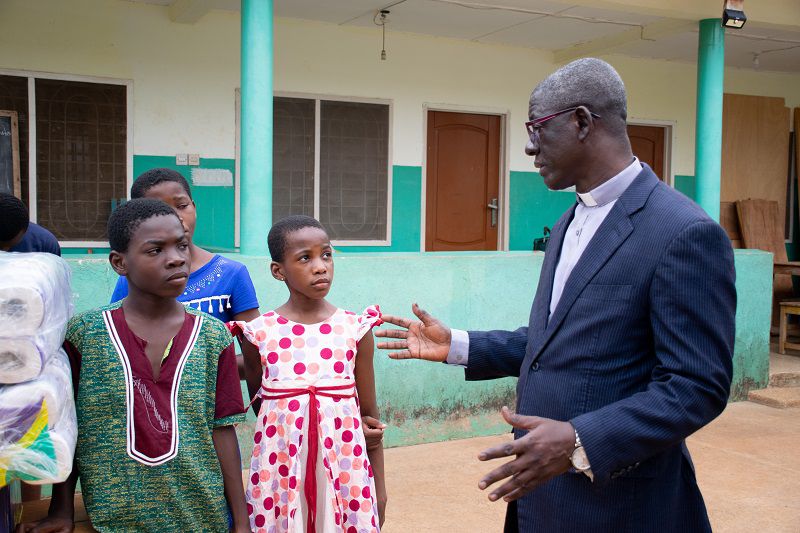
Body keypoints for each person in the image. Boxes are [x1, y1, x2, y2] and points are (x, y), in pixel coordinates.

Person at [376, 58, 736, 532]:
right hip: (542, 500)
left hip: (619, 505)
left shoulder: (682, 233)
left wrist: (579, 440)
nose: (528, 146)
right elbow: (557, 343)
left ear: (583, 121)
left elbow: (696, 386)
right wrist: (460, 346)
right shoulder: (568, 222)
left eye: (537, 128)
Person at [17, 198, 250, 532]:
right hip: (114, 520)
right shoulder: (84, 335)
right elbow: (68, 428)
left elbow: (223, 431)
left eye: (181, 246)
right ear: (119, 262)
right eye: (155, 250)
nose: (176, 259)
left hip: (200, 517)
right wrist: (62, 511)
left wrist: (240, 522)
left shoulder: (214, 337)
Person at [229, 215, 387, 532]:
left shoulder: (355, 330)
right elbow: (264, 410)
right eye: (305, 258)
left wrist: (379, 489)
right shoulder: (258, 334)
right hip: (280, 476)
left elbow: (370, 417)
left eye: (326, 254)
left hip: (344, 473)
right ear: (278, 271)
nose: (320, 266)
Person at [109, 168, 261, 403]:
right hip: (149, 407)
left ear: (194, 206)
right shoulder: (131, 281)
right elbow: (120, 353)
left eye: (181, 206)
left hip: (211, 410)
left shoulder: (232, 274)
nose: (176, 217)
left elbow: (254, 356)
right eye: (159, 210)